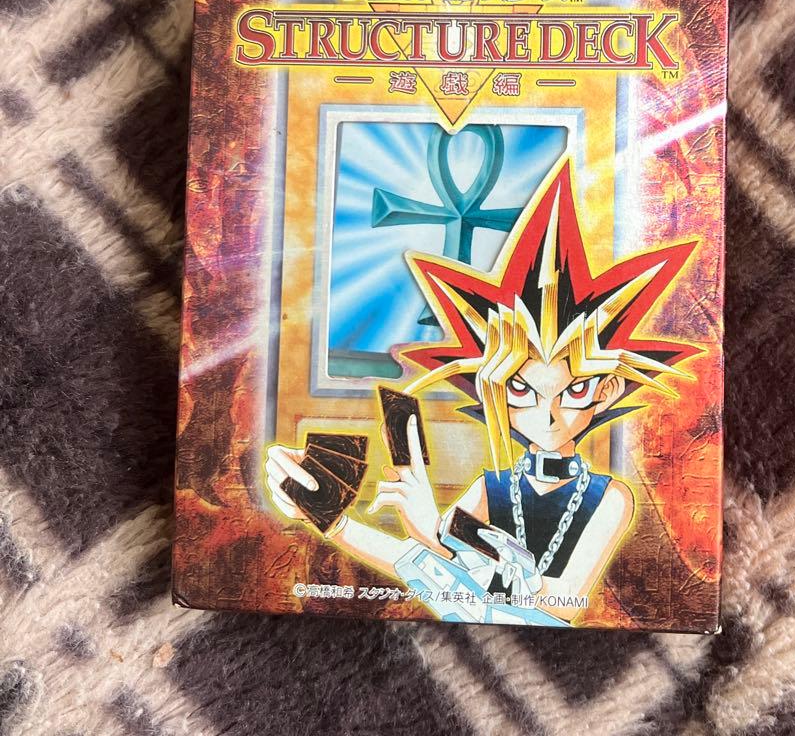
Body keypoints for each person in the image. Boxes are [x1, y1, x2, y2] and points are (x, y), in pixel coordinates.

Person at [265, 158, 699, 623]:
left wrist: (438, 535)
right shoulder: (492, 488)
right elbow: (421, 567)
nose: (547, 415)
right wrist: (330, 517)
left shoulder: (610, 498)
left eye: (572, 392)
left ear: (607, 389)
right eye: (521, 390)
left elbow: (562, 600)